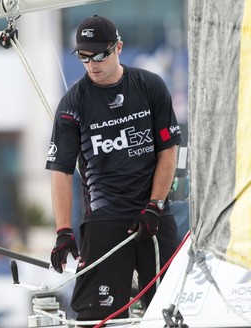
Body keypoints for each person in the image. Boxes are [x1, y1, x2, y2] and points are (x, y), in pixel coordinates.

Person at [45, 15, 182, 325]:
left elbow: (167, 151)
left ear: (118, 47)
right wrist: (63, 231)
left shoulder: (150, 86)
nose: (92, 63)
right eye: (83, 56)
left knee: (171, 313)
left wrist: (155, 204)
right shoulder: (72, 104)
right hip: (104, 223)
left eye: (100, 55)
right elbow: (61, 172)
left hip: (153, 217)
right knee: (96, 317)